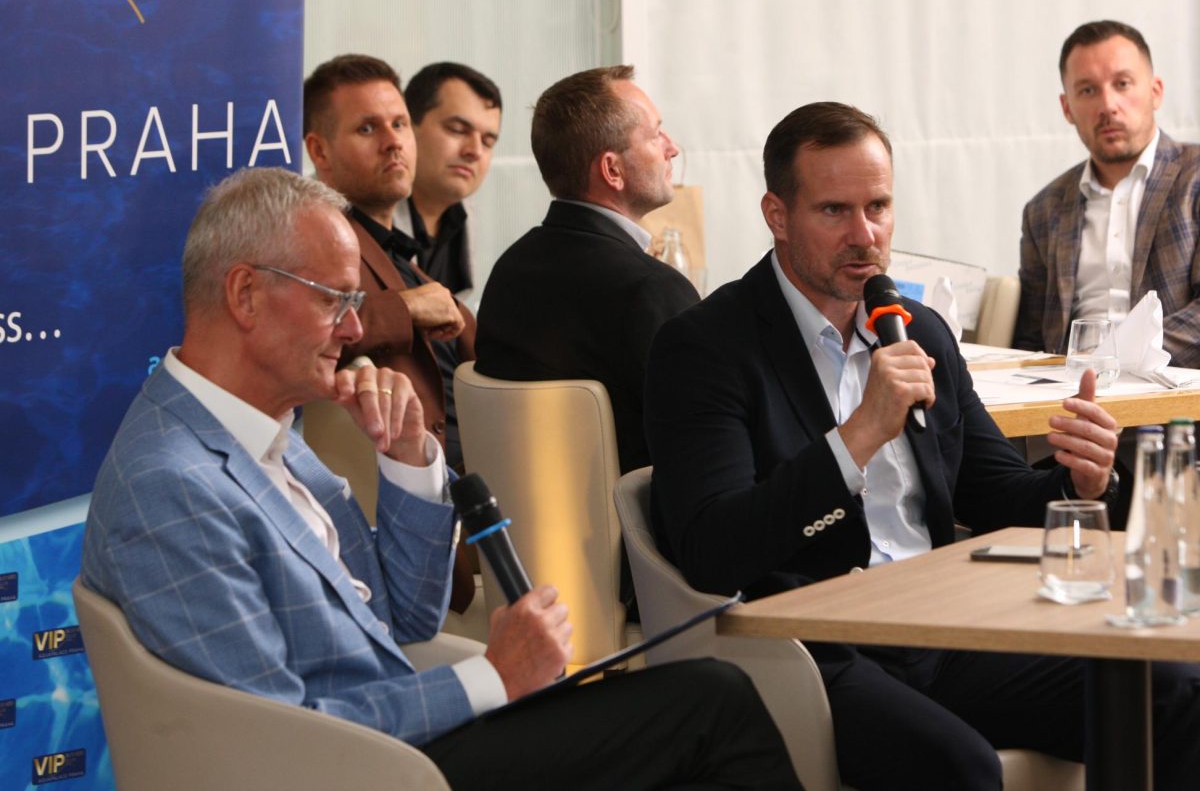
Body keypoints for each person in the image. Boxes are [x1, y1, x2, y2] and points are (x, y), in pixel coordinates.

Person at [80, 167, 803, 791]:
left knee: (705, 709)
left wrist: (407, 459)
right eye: (334, 299)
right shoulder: (173, 484)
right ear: (244, 294)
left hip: (401, 740)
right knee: (712, 704)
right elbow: (279, 734)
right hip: (366, 769)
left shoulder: (261, 432)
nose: (355, 330)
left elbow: (406, 622)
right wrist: (494, 677)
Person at [644, 102, 1200, 790]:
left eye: (878, 207)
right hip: (813, 646)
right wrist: (859, 436)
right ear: (777, 215)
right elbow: (713, 549)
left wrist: (1081, 483)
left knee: (1177, 690)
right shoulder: (706, 347)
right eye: (834, 211)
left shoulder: (919, 331)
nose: (864, 235)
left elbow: (996, 495)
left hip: (940, 626)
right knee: (959, 766)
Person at [304, 53, 475, 612]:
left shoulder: (404, 255)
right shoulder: (319, 243)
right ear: (319, 152)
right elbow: (302, 331)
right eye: (367, 128)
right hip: (427, 518)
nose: (393, 142)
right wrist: (404, 308)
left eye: (399, 123)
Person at [475, 65, 699, 477]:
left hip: (522, 513)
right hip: (632, 514)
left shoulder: (509, 269)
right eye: (655, 135)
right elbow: (703, 446)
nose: (672, 149)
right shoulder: (651, 289)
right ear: (612, 170)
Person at [1015, 20, 1200, 367]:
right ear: (1067, 108)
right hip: (1070, 392)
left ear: (1156, 92)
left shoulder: (1194, 178)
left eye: (1122, 84)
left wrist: (1113, 356)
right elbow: (1029, 339)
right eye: (1087, 90)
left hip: (1175, 389)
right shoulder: (1043, 210)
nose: (1108, 105)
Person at [397, 61, 502, 299]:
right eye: (457, 129)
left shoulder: (468, 217)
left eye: (487, 141)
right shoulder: (351, 214)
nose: (475, 151)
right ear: (407, 126)